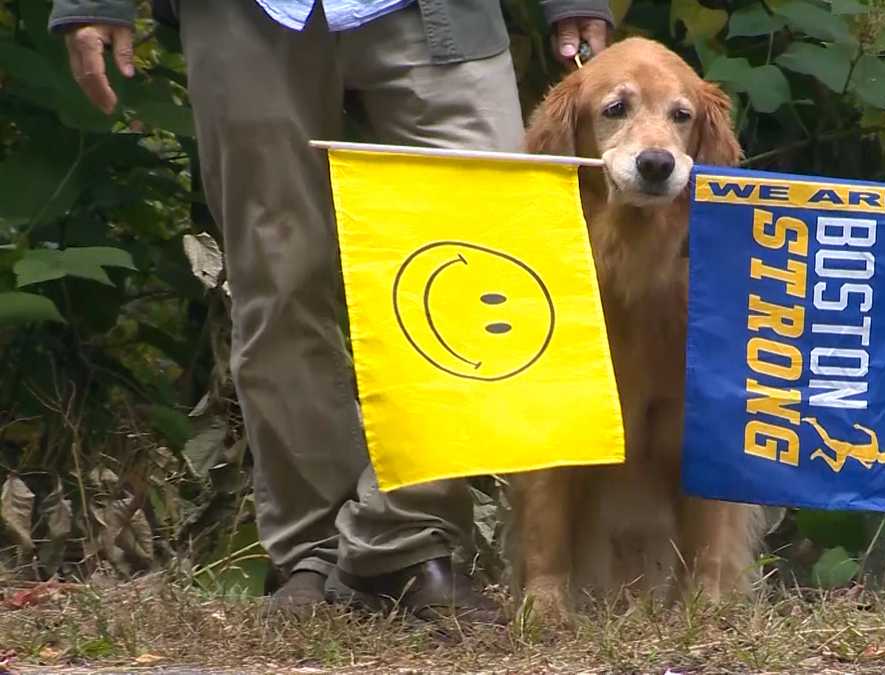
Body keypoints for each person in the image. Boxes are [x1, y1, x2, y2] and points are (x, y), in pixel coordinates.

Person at [49, 0, 610, 623]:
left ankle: (398, 541)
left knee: (486, 259)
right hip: (245, 18)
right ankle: (312, 554)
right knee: (279, 278)